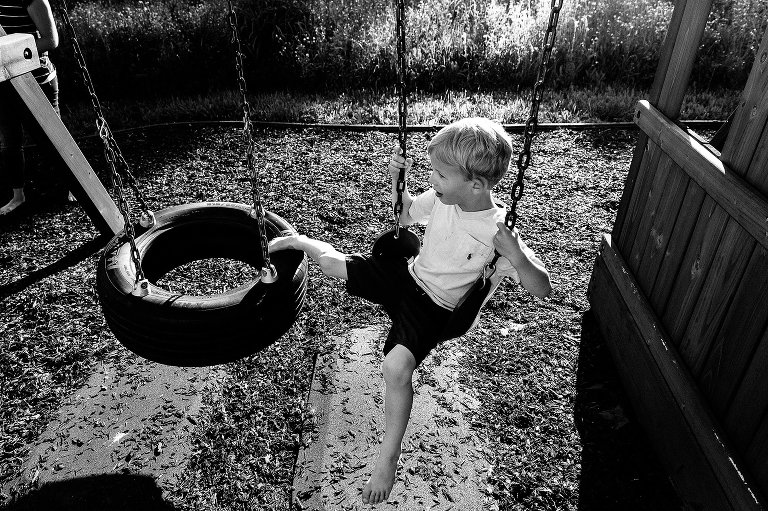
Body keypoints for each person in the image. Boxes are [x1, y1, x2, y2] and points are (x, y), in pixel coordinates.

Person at [269, 117, 552, 505]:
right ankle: (300, 241)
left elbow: (542, 289)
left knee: (395, 368)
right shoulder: (442, 197)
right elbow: (403, 216)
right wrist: (395, 178)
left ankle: (389, 455)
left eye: (439, 174)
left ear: (477, 185)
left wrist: (518, 256)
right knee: (336, 266)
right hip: (408, 277)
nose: (432, 180)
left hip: (435, 309)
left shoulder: (499, 232)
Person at [0, 0, 61, 216]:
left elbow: (51, 41)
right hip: (6, 80)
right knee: (10, 143)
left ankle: (70, 188)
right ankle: (18, 197)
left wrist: (9, 51)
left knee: (54, 139)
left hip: (38, 80)